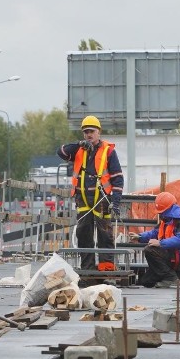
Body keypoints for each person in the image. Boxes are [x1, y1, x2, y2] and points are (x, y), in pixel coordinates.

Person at [57, 116, 124, 273]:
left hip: (102, 200)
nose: (89, 135)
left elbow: (118, 179)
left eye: (91, 131)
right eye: (86, 132)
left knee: (105, 235)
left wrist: (116, 202)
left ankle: (106, 270)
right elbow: (61, 152)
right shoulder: (79, 150)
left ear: (98, 132)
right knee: (83, 234)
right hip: (83, 201)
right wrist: (79, 145)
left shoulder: (108, 151)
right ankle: (87, 269)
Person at [130, 192, 180, 289]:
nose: (161, 214)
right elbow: (155, 233)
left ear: (171, 208)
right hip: (173, 255)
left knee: (150, 250)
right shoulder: (166, 220)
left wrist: (160, 243)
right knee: (146, 282)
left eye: (163, 211)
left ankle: (171, 277)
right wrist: (140, 237)